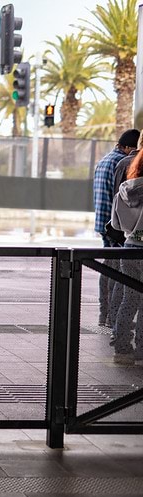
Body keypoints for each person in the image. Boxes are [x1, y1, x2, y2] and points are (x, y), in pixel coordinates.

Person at [94, 128, 140, 327]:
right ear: (129, 147)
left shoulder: (106, 160)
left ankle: (106, 315)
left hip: (108, 223)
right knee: (119, 277)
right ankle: (112, 318)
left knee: (109, 269)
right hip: (121, 228)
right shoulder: (122, 163)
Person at [109, 148, 143, 365]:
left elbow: (115, 225)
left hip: (129, 248)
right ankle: (142, 349)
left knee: (129, 298)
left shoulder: (125, 190)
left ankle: (121, 348)